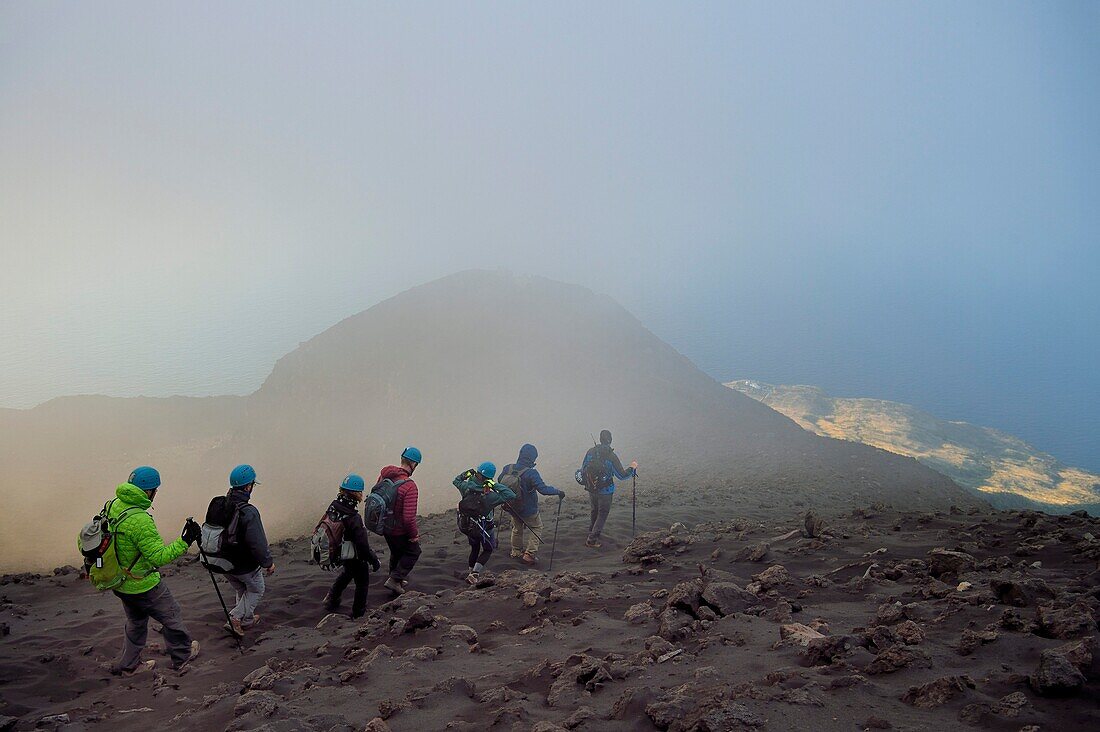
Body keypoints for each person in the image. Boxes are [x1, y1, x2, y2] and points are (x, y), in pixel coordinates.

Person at [107, 466, 201, 676]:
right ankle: (183, 657)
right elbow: (158, 557)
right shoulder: (140, 520)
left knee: (136, 621)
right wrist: (185, 541)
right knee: (172, 615)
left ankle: (129, 664)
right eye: (155, 490)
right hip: (143, 583)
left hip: (120, 581)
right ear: (149, 491)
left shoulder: (113, 504)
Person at [219, 464, 275, 638]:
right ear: (248, 486)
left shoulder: (221, 505)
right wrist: (268, 563)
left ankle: (247, 620)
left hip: (223, 563)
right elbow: (257, 542)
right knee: (257, 589)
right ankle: (235, 618)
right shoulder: (248, 512)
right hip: (243, 564)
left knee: (242, 589)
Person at [322, 474, 382, 618]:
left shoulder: (334, 505)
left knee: (347, 573)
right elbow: (363, 546)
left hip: (339, 550)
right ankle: (358, 612)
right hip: (353, 555)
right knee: (362, 582)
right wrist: (374, 560)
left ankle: (332, 597)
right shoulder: (354, 518)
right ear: (357, 494)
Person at [498, 444, 564, 565]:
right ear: (532, 458)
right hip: (528, 509)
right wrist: (558, 492)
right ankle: (529, 554)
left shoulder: (507, 468)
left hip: (512, 507)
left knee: (517, 528)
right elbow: (543, 489)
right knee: (536, 527)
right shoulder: (531, 473)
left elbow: (499, 482)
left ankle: (516, 552)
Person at [453, 461, 516, 584]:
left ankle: (470, 570)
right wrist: (493, 485)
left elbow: (456, 481)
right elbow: (510, 495)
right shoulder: (490, 496)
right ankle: (474, 574)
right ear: (489, 478)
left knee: (475, 548)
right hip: (485, 527)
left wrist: (465, 474)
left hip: (468, 525)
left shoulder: (466, 487)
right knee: (488, 549)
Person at [581, 430, 638, 548]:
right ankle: (592, 539)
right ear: (610, 440)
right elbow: (622, 475)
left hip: (591, 488)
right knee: (602, 514)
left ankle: (591, 531)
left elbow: (583, 468)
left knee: (594, 510)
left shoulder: (590, 452)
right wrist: (632, 468)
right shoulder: (611, 456)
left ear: (600, 439)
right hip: (606, 491)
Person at [380, 446, 422, 595]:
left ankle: (394, 577)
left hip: (384, 525)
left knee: (396, 552)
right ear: (414, 464)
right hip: (398, 529)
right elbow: (409, 518)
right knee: (413, 551)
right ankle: (394, 579)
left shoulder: (384, 476)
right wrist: (413, 536)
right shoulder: (410, 486)